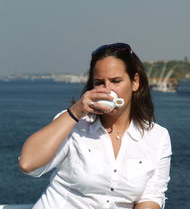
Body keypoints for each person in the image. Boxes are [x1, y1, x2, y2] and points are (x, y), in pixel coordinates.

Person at [19, 43, 172, 209]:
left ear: (135, 82)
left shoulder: (158, 137)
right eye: (99, 82)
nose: (107, 90)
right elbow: (28, 164)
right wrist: (76, 111)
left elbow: (152, 196)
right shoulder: (73, 124)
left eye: (115, 81)